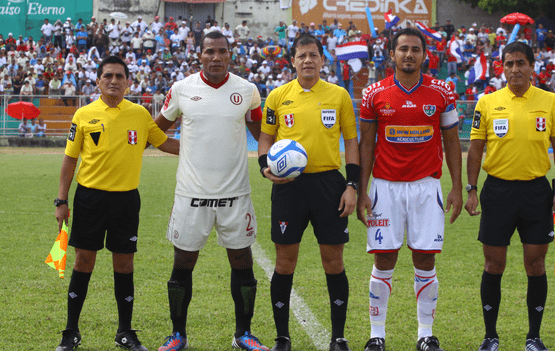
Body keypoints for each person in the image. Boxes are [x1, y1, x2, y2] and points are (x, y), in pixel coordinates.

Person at [153, 31, 269, 351]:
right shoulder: (182, 89)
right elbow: (155, 131)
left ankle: (243, 334)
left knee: (242, 261)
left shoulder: (247, 91)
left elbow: (261, 135)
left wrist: (273, 160)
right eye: (209, 52)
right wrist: (186, 150)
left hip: (235, 194)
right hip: (191, 194)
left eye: (222, 51)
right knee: (183, 262)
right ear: (199, 55)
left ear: (230, 55)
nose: (215, 57)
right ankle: (178, 334)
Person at [53, 56, 180, 351]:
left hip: (126, 199)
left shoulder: (139, 114)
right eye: (108, 75)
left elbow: (165, 143)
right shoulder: (84, 115)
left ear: (128, 82)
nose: (113, 80)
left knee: (124, 263)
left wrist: (202, 149)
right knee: (84, 260)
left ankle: (125, 332)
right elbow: (70, 159)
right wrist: (61, 200)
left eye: (119, 76)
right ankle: (70, 331)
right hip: (89, 198)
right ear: (98, 81)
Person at [357, 28, 462, 351]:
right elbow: (366, 145)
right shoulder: (374, 93)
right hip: (385, 188)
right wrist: (362, 190)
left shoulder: (443, 92)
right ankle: (377, 335)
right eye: (403, 49)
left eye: (415, 49)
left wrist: (457, 187)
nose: (409, 54)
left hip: (426, 187)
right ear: (392, 54)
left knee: (425, 259)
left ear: (424, 54)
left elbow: (452, 142)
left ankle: (425, 334)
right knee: (384, 258)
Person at [257, 34, 360, 351]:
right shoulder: (277, 96)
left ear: (322, 59)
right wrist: (265, 167)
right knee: (284, 262)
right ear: (293, 60)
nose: (307, 60)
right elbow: (265, 139)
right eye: (301, 55)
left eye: (313, 55)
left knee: (334, 261)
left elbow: (352, 143)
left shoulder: (339, 95)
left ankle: (338, 337)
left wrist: (352, 186)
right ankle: (282, 338)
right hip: (289, 188)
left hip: (329, 184)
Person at [465, 41, 555, 351]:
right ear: (502, 67)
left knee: (535, 264)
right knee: (493, 265)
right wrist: (472, 189)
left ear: (532, 67)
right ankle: (490, 337)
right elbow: (476, 150)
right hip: (497, 190)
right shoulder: (487, 102)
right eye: (509, 64)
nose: (514, 69)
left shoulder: (549, 101)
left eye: (520, 63)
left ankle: (533, 337)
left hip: (537, 191)